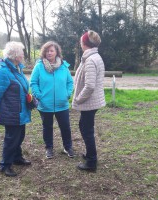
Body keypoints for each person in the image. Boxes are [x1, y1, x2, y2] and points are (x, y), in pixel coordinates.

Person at [0, 41, 31, 177]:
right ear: (15, 55)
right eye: (22, 52)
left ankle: (17, 158)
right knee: (11, 139)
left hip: (20, 111)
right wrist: (0, 109)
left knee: (19, 136)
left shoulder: (16, 68)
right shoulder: (2, 71)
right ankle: (5, 165)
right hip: (11, 112)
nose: (23, 55)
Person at [30, 41, 74, 159]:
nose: (49, 53)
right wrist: (39, 96)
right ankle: (49, 148)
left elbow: (70, 82)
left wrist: (67, 94)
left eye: (51, 50)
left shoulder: (64, 66)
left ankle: (68, 147)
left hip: (62, 104)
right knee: (47, 127)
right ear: (44, 52)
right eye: (47, 51)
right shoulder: (39, 66)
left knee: (65, 126)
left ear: (56, 52)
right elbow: (33, 83)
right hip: (45, 104)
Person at [72, 30, 106, 172]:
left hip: (89, 102)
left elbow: (90, 86)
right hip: (92, 101)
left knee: (87, 130)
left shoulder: (91, 60)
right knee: (85, 127)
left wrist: (79, 98)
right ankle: (90, 155)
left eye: (81, 41)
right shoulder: (92, 56)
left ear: (85, 43)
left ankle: (91, 162)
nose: (80, 43)